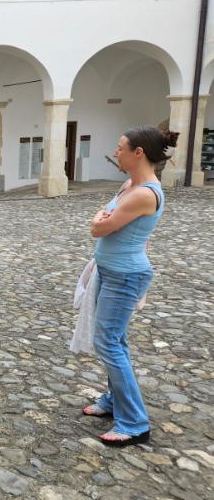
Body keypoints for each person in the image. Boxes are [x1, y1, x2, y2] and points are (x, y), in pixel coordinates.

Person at [84, 126, 178, 447]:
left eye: (120, 147)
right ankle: (114, 400)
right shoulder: (129, 185)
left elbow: (100, 227)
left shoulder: (144, 194)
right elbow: (105, 221)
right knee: (114, 340)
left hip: (124, 276)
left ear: (138, 152)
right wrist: (102, 219)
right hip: (111, 271)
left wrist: (99, 219)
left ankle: (135, 422)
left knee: (108, 343)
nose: (116, 152)